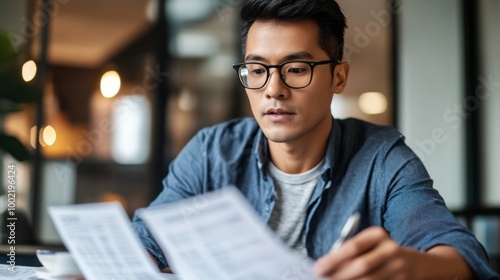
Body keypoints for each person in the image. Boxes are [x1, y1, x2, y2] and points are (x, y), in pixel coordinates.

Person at [133, 0, 500, 278]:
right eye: (257, 70)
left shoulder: (382, 158)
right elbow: (146, 241)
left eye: (296, 69)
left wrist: (413, 268)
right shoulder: (212, 152)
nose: (273, 90)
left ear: (338, 78)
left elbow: (460, 253)